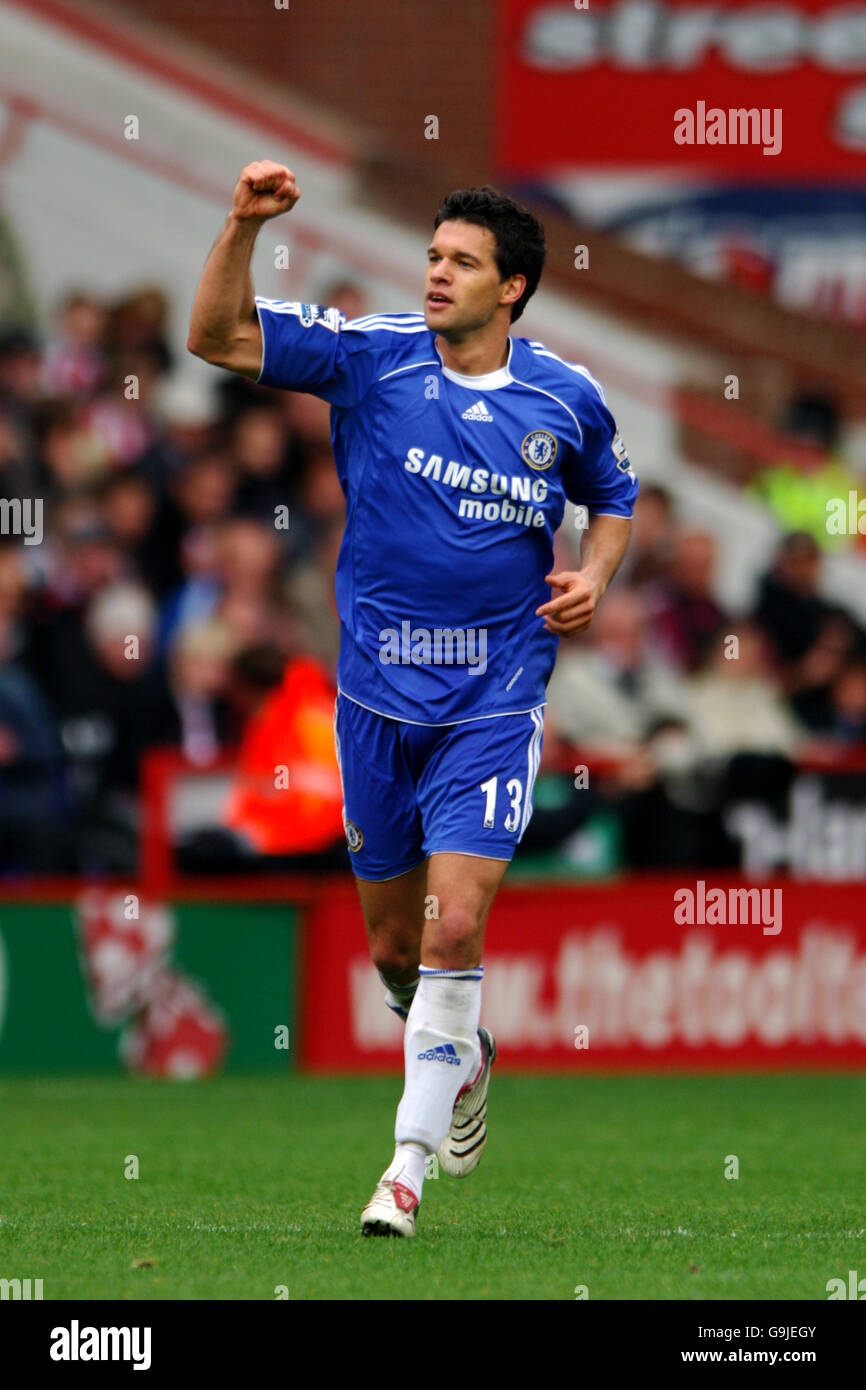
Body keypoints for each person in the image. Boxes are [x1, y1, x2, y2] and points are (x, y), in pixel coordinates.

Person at [188, 161, 637, 1237]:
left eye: (461, 263)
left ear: (513, 286)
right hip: (376, 704)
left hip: (493, 699)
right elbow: (218, 337)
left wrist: (593, 575)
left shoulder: (562, 396)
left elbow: (611, 498)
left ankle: (402, 1168)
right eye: (432, 256)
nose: (436, 275)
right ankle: (465, 1055)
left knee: (455, 923)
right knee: (395, 948)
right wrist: (243, 224)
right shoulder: (371, 357)